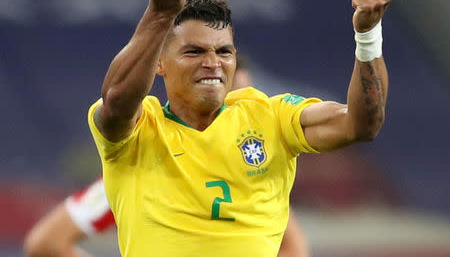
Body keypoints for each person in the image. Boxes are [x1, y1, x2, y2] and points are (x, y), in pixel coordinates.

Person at [88, 0, 394, 257]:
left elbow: (360, 124)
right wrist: (159, 16)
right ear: (159, 63)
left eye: (224, 52)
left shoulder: (269, 117)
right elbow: (116, 101)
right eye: (193, 52)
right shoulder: (140, 130)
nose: (213, 64)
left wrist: (367, 35)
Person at [23, 58, 310, 257]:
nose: (228, 109)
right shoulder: (143, 164)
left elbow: (293, 250)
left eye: (238, 101)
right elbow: (47, 242)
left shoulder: (256, 175)